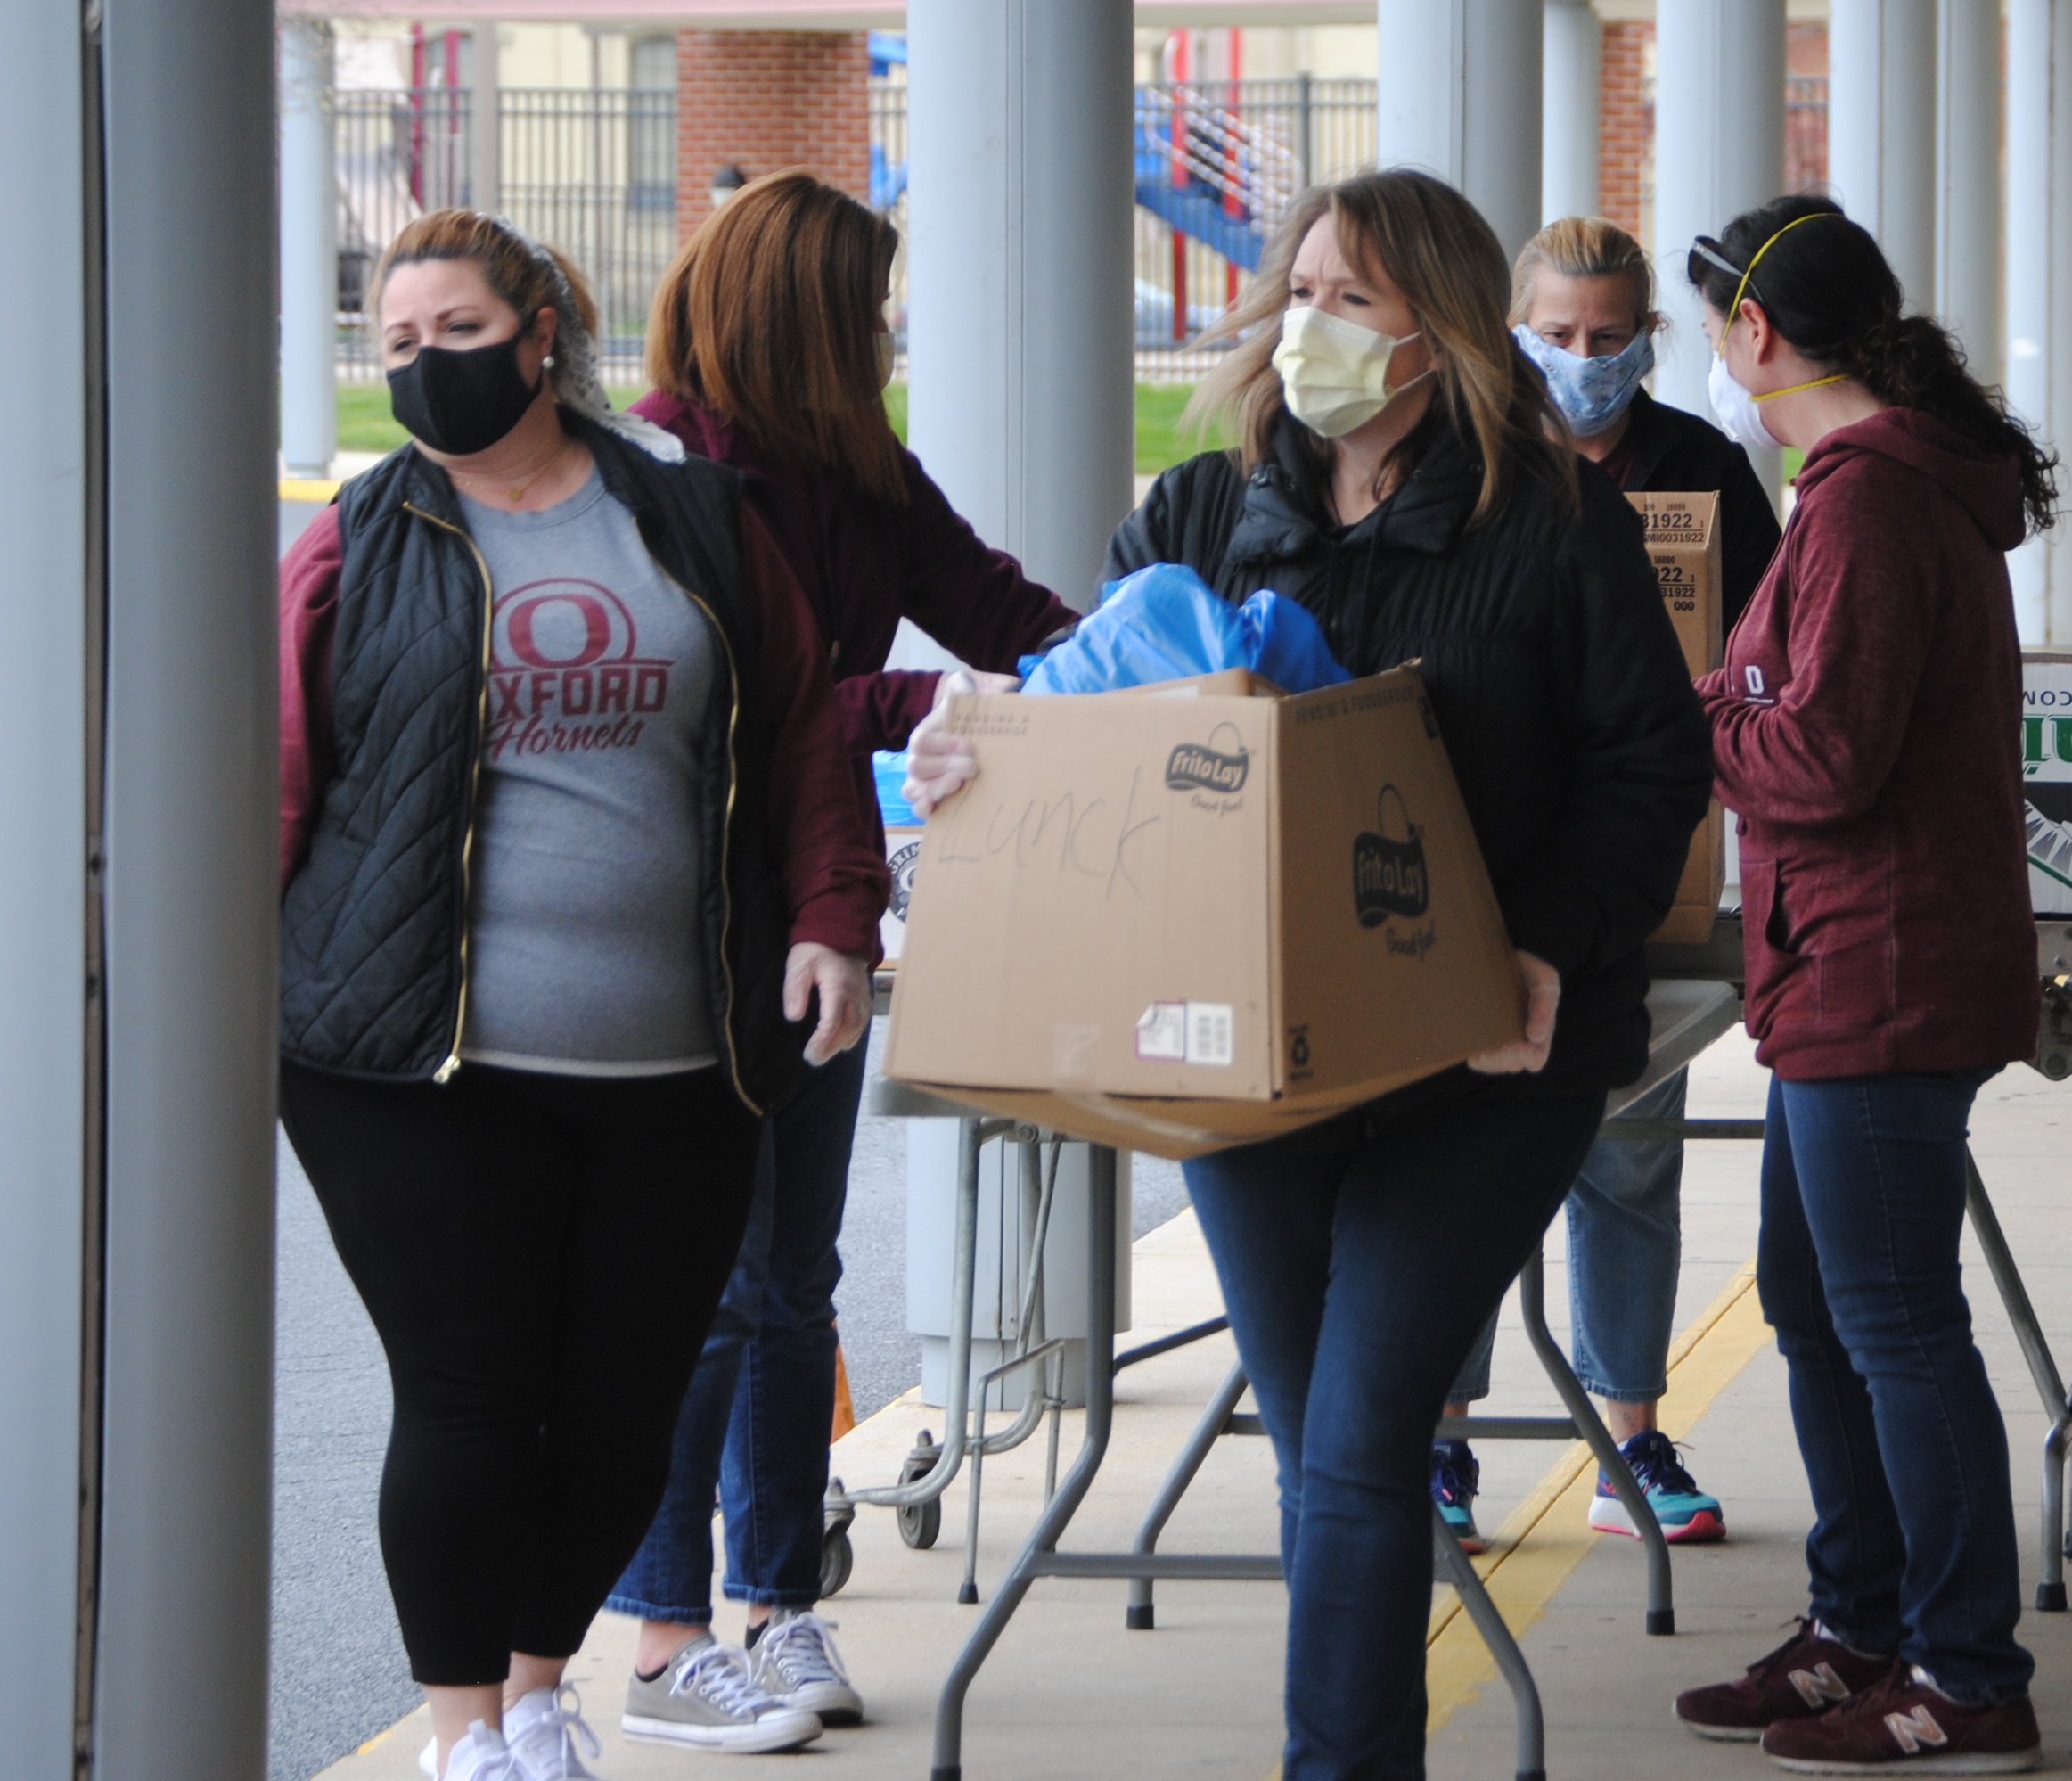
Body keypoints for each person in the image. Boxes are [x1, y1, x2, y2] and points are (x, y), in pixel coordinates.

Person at [904, 168, 1710, 1781]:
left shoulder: (1551, 523)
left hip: (1480, 1047)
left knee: (1358, 1441)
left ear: (1443, 333)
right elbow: (1091, 706)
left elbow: (1652, 764)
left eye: (1356, 299)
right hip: (1252, 1056)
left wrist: (1543, 942)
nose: (1311, 325)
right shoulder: (1203, 511)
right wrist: (977, 746)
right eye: (1302, 291)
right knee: (1318, 1451)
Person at [278, 212, 889, 1781]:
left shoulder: (698, 522)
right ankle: (464, 1730)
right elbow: (275, 778)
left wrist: (832, 919)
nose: (428, 367)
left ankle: (546, 1685)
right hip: (409, 1061)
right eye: (399, 344)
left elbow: (808, 746)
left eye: (458, 332)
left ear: (544, 331)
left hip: (678, 1058)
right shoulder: (357, 542)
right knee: (473, 1392)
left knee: (621, 1405)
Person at [602, 168, 1082, 1742]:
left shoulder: (864, 467)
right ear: (799, 317)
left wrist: (1155, 662)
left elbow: (996, 608)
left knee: (793, 1282)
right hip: (681, 924)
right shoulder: (661, 474)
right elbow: (755, 704)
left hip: (826, 912)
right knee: (699, 1289)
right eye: (868, 309)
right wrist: (931, 713)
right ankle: (669, 1637)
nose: (887, 335)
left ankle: (778, 1605)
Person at [1668, 198, 2053, 1774]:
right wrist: (1701, 696)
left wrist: (1672, 730)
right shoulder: (1861, 490)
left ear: (1755, 333)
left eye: (1707, 326)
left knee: (1895, 1324)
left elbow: (1821, 753)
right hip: (1844, 965)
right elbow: (1785, 691)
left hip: (1882, 970)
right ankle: (1860, 1627)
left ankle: (1967, 1676)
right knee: (1817, 1310)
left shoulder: (1870, 504)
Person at [1429, 214, 1782, 1553]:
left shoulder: (1699, 466)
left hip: (1646, 866)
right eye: (1558, 335)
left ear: (1648, 337)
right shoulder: (1468, 462)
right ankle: (1441, 1442)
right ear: (1513, 332)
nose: (1584, 362)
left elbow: (1763, 639)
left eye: (1610, 337)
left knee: (1629, 1153)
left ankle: (1629, 1442)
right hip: (1478, 864)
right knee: (1454, 1162)